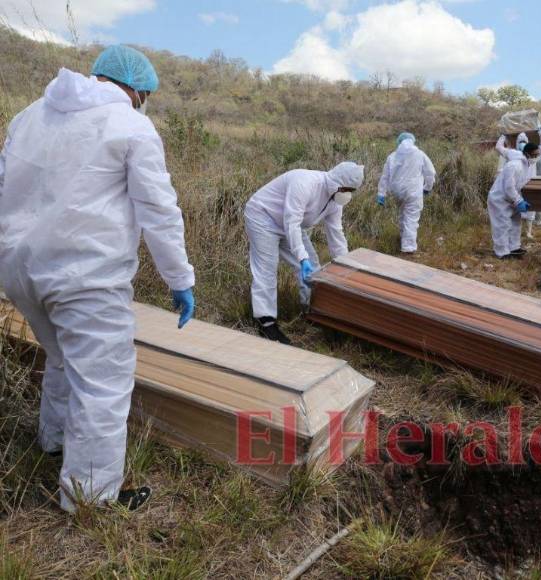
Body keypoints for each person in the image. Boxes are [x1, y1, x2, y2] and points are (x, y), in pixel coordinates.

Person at [0, 46, 196, 513]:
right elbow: (158, 210)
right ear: (138, 90)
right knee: (103, 384)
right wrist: (179, 277)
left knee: (62, 357)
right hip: (85, 276)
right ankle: (90, 497)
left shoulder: (30, 115)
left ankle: (52, 441)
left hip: (18, 269)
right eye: (146, 96)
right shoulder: (132, 126)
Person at [244, 161, 364, 344]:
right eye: (346, 189)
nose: (347, 194)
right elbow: (291, 222)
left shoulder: (335, 201)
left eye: (351, 191)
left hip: (289, 224)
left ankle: (312, 310)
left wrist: (346, 266)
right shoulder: (306, 183)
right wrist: (301, 258)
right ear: (337, 182)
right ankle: (266, 322)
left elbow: (336, 235)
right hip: (264, 217)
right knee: (267, 269)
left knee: (313, 266)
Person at [376, 133, 436, 254]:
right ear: (412, 141)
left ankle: (403, 239)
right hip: (413, 192)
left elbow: (385, 177)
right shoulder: (420, 154)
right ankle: (408, 248)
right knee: (411, 218)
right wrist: (427, 187)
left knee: (403, 215)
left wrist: (381, 194)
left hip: (397, 193)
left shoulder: (392, 156)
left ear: (399, 142)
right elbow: (430, 172)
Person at [488, 140, 541, 259]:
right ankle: (502, 252)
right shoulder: (514, 165)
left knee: (516, 223)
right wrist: (518, 201)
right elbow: (508, 187)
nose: (536, 157)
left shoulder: (527, 165)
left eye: (537, 155)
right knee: (502, 225)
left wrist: (521, 199)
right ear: (527, 153)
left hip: (513, 198)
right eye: (534, 155)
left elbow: (521, 184)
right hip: (500, 199)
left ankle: (514, 247)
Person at [495, 127, 541, 239]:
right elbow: (499, 148)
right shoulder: (513, 154)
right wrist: (503, 135)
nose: (522, 144)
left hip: (529, 185)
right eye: (520, 142)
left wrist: (540, 130)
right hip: (515, 187)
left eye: (524, 141)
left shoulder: (533, 152)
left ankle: (528, 231)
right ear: (517, 143)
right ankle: (513, 233)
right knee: (513, 211)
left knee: (529, 210)